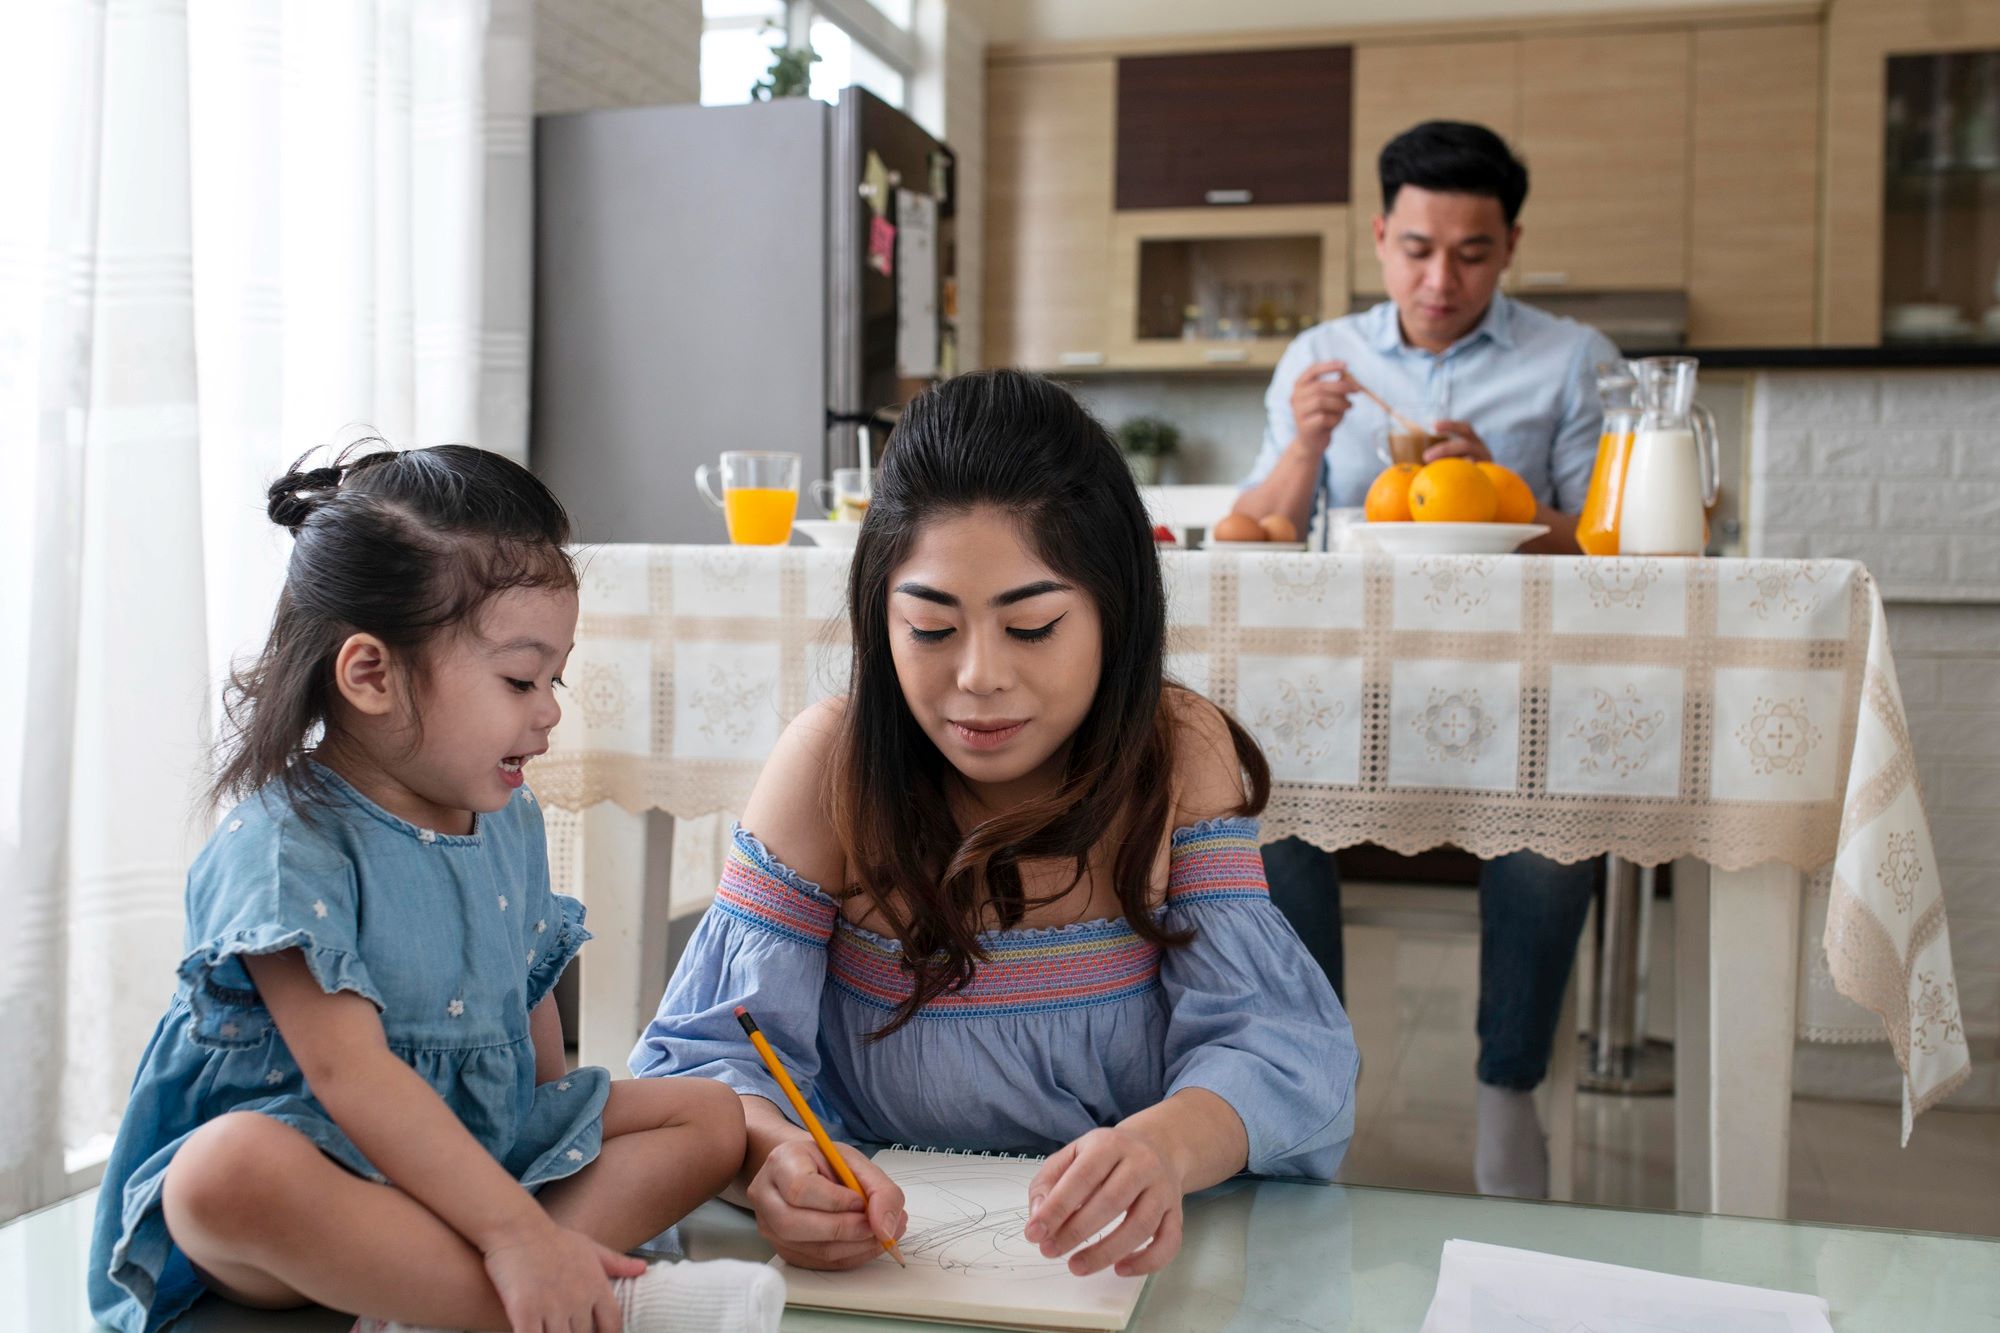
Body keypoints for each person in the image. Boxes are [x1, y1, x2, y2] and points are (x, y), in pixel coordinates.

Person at [631, 370, 1358, 1279]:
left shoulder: (1174, 753)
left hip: (1127, 1275)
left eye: (1035, 626)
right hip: (879, 1273)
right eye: (931, 630)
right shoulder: (831, 765)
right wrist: (770, 1157)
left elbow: (1277, 1044)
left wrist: (1167, 1145)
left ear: (1114, 614)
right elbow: (707, 1057)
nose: (978, 676)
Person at [88, 445, 781, 1333]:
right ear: (371, 674)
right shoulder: (281, 847)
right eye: (520, 679)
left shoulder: (505, 815)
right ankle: (590, 1303)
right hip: (326, 1174)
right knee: (224, 1174)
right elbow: (352, 1076)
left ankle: (463, 1301)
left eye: (555, 678)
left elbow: (530, 1019)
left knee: (708, 1113)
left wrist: (541, 1167)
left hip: (478, 1147)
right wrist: (513, 1226)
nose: (550, 710)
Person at [1230, 120, 1619, 1199]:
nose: (1438, 279)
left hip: (1516, 710)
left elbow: (1619, 550)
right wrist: (1306, 445)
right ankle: (1315, 1089)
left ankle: (1506, 1092)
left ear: (1510, 246)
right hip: (1340, 710)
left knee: (1554, 836)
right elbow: (1246, 536)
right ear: (1378, 236)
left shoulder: (1571, 361)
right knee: (1262, 825)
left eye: (1471, 253)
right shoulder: (1321, 358)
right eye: (1414, 249)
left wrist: (1503, 494)